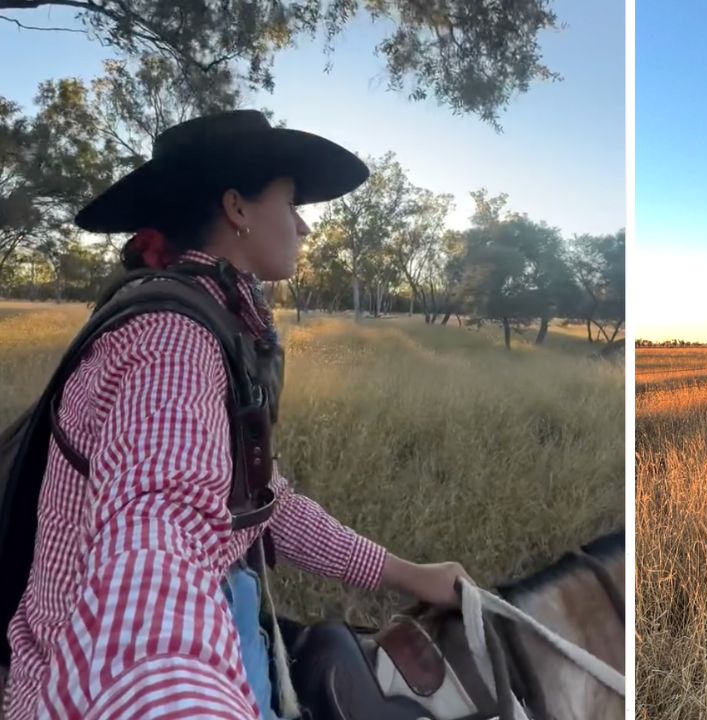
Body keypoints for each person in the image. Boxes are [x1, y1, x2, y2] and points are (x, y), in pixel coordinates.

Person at [2, 110, 471, 719]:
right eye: (291, 200)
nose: (302, 224)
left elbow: (262, 503)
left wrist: (408, 573)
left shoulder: (208, 317)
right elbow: (155, 551)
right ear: (238, 209)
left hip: (226, 613)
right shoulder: (170, 344)